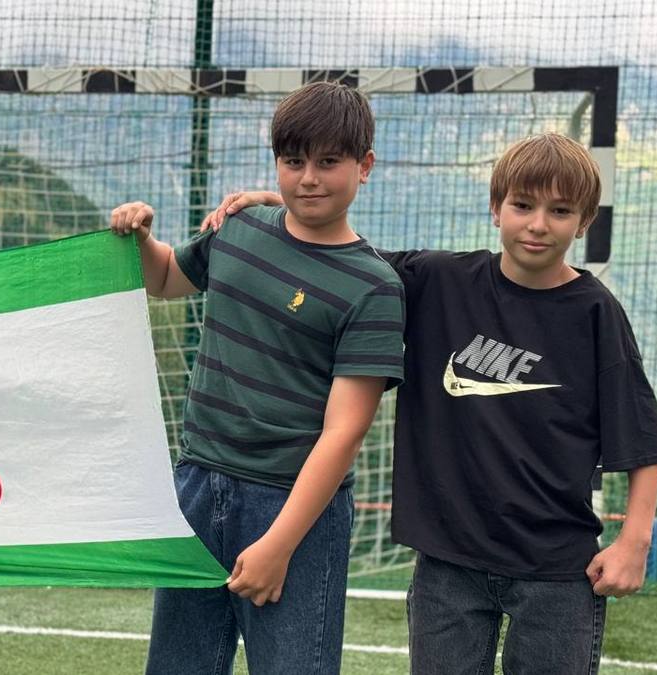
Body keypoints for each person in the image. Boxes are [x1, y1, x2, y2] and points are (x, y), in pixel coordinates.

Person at [201, 132, 657, 673]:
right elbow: (345, 263)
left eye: (560, 211)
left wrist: (634, 542)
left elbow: (640, 435)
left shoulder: (596, 313)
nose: (538, 224)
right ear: (496, 208)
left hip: (557, 567)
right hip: (448, 559)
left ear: (583, 221)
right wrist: (287, 210)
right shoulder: (437, 280)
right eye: (523, 205)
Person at [109, 81, 406, 673]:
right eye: (294, 162)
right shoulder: (238, 228)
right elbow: (164, 278)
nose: (309, 179)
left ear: (365, 166)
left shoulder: (374, 287)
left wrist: (279, 543)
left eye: (328, 162)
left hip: (294, 509)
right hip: (196, 485)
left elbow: (344, 432)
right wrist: (140, 237)